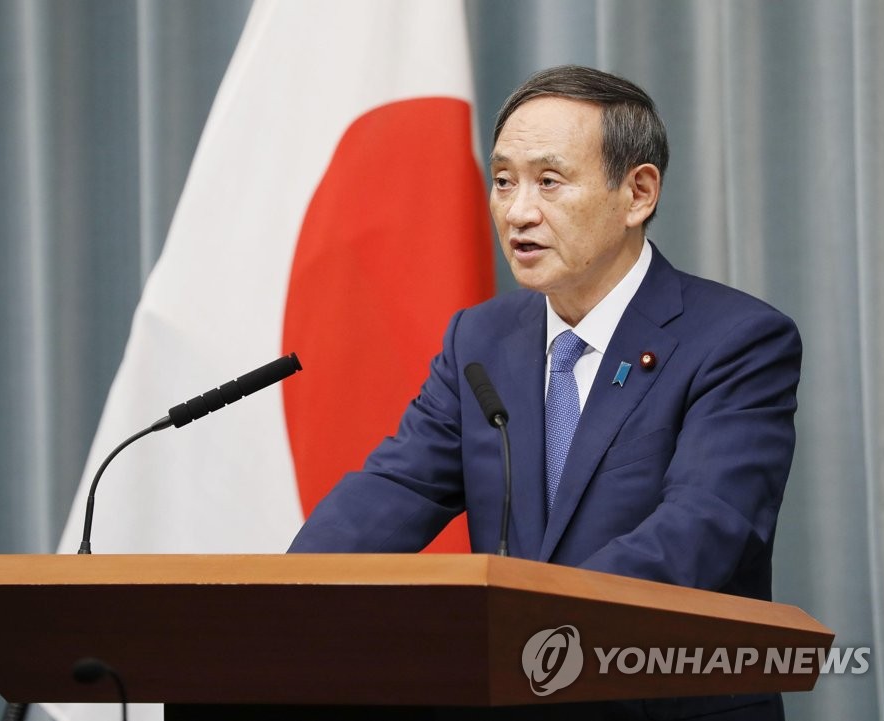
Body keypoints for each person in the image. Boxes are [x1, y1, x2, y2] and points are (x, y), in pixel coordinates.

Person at [289, 65, 801, 721]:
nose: (518, 211)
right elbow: (396, 490)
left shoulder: (735, 339)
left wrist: (533, 627)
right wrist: (281, 596)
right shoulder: (480, 340)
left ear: (638, 193)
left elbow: (706, 525)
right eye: (504, 181)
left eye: (549, 181)